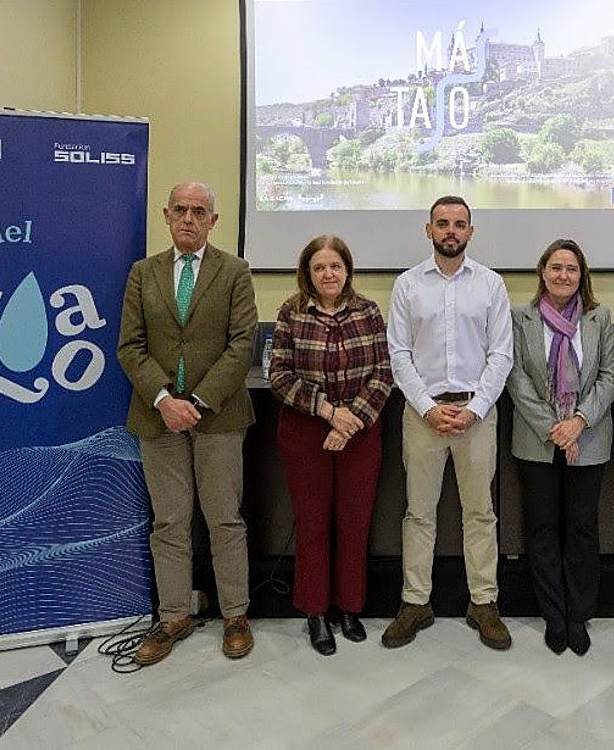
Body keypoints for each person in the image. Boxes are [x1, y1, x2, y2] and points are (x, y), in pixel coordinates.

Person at [117, 181, 258, 665]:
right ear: (166, 214)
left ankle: (235, 615)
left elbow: (243, 345)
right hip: (159, 419)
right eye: (181, 210)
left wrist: (195, 400)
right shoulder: (143, 273)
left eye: (200, 211)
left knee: (224, 519)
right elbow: (129, 346)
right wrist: (163, 399)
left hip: (218, 416)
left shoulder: (235, 271)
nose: (189, 219)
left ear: (213, 221)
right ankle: (174, 615)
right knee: (170, 522)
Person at [382, 196, 514, 650]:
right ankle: (416, 603)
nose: (451, 231)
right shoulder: (407, 285)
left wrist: (475, 408)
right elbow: (398, 354)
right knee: (419, 513)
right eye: (443, 224)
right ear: (429, 230)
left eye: (459, 224)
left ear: (471, 232)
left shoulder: (491, 285)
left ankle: (484, 603)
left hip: (477, 415)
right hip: (423, 415)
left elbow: (501, 354)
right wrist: (427, 406)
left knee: (480, 513)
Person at [269, 236, 393, 656]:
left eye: (335, 266)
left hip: (360, 431)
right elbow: (280, 376)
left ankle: (349, 608)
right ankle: (315, 612)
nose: (328, 274)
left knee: (355, 524)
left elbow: (383, 371)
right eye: (319, 267)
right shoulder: (291, 312)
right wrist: (327, 411)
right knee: (313, 524)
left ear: (348, 271)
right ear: (307, 273)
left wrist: (349, 419)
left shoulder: (369, 311)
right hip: (306, 433)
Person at [507, 239, 614, 656]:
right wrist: (553, 426)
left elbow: (608, 377)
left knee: (582, 528)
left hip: (587, 438)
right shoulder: (521, 318)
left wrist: (577, 422)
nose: (563, 276)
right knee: (541, 528)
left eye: (571, 269)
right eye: (556, 267)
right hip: (537, 439)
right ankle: (554, 614)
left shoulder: (598, 318)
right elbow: (515, 377)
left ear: (582, 275)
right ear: (542, 272)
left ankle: (578, 615)